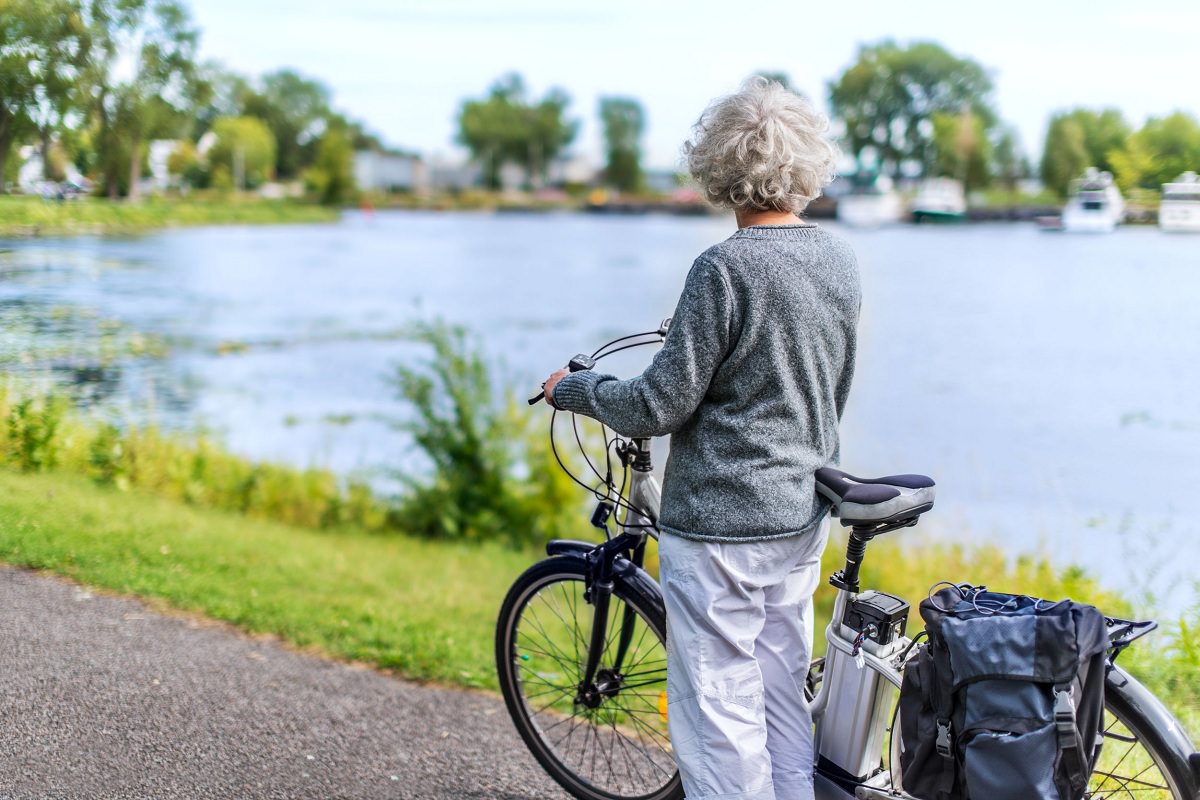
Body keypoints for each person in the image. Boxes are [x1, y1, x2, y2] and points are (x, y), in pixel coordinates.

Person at [543, 76, 859, 800]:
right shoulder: (838, 260)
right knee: (780, 696)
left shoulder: (723, 268)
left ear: (721, 167)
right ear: (808, 163)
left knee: (718, 714)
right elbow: (824, 388)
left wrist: (578, 390)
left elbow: (658, 402)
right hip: (799, 514)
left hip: (720, 529)